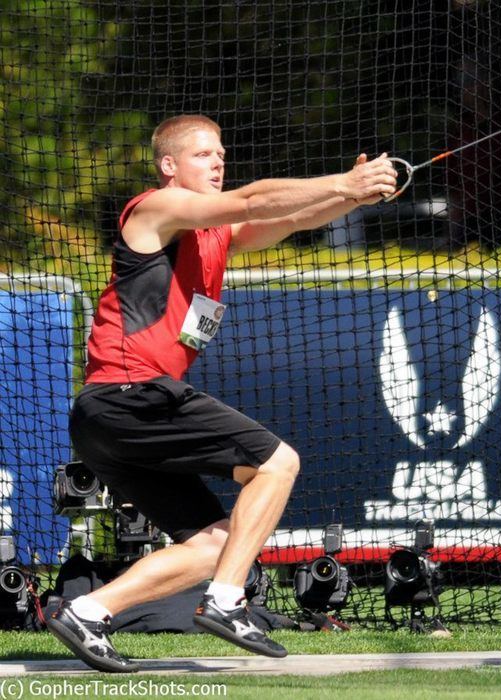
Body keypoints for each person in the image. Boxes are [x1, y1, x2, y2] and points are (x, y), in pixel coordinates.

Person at [47, 114, 397, 673]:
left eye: (221, 155)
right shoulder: (154, 208)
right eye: (204, 155)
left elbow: (286, 217)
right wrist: (342, 182)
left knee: (212, 545)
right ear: (169, 167)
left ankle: (88, 611)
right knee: (277, 464)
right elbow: (254, 201)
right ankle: (228, 599)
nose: (218, 163)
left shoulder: (214, 233)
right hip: (129, 392)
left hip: (115, 416)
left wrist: (351, 200)